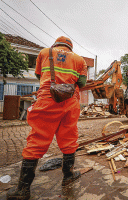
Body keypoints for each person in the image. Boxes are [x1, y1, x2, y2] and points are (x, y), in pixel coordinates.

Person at [7, 36, 87, 200]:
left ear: (56, 44)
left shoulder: (44, 53)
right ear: (70, 47)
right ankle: (68, 176)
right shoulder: (79, 59)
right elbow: (83, 83)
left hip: (48, 99)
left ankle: (23, 190)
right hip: (70, 102)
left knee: (38, 138)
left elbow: (39, 76)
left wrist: (54, 79)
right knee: (69, 137)